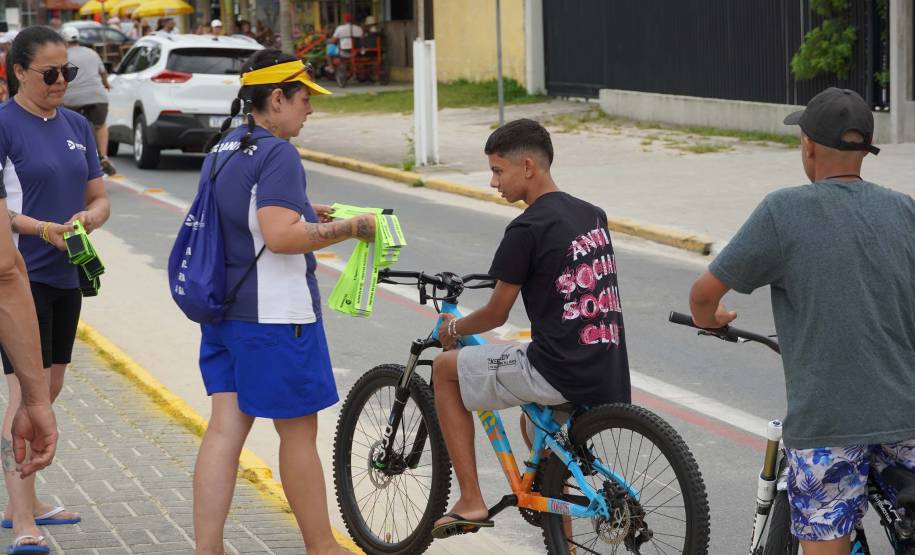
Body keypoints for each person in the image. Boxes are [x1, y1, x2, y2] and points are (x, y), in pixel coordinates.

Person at [688, 87, 915, 555]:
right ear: (865, 150)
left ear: (808, 147)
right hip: (906, 415)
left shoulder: (784, 210)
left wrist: (711, 319)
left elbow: (703, 295)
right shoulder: (904, 210)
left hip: (827, 424)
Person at [190, 49, 372, 555]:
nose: (310, 109)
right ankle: (322, 546)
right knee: (297, 435)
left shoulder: (225, 145)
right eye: (304, 98)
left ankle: (208, 549)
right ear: (277, 98)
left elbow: (243, 216)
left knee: (225, 429)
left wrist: (300, 208)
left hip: (224, 313)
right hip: (276, 318)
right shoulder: (278, 153)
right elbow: (281, 235)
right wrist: (351, 228)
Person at [430, 118, 631, 538]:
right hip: (607, 368)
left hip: (557, 369)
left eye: (498, 171)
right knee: (535, 427)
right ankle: (561, 529)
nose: (492, 182)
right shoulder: (592, 215)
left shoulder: (526, 228)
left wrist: (455, 327)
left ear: (527, 167)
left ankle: (470, 501)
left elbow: (496, 313)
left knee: (444, 370)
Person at [0, 25, 111, 554]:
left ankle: (25, 497)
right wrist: (41, 228)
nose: (61, 81)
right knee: (25, 391)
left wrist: (87, 219)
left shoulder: (76, 125)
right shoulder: (3, 126)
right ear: (20, 71)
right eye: (50, 73)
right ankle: (23, 519)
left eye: (67, 71)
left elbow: (100, 197)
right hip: (19, 278)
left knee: (52, 387)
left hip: (67, 275)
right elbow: (4, 214)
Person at [61, 27, 117, 176]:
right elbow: (103, 73)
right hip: (97, 96)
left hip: (71, 98)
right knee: (100, 126)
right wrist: (106, 85)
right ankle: (104, 157)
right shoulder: (92, 53)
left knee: (71, 128)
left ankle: (74, 157)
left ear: (64, 41)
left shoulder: (63, 55)